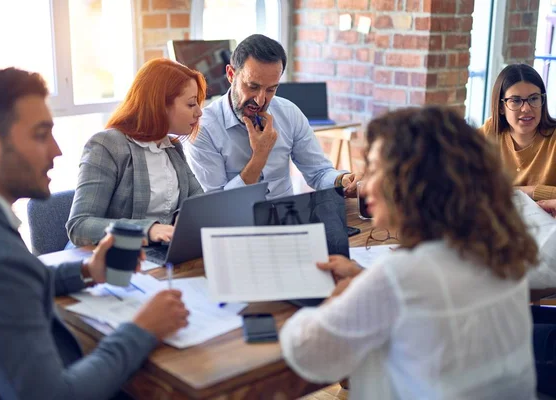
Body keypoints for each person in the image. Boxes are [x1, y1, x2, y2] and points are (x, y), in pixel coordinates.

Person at [0, 68, 189, 399]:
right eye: (41, 135)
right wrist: (142, 329)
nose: (57, 150)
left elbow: (16, 285)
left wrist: (87, 270)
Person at [280, 106, 538, 399]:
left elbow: (306, 353)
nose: (366, 184)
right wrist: (367, 281)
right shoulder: (501, 249)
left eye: (377, 170)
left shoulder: (400, 276)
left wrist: (341, 296)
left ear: (416, 184)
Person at [185, 34, 360, 200]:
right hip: (235, 226)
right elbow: (216, 205)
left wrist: (341, 181)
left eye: (271, 89)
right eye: (252, 86)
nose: (261, 100)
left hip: (287, 220)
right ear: (231, 75)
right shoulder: (202, 129)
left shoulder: (289, 113)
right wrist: (259, 156)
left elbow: (319, 172)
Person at [67, 59, 205, 246]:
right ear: (160, 105)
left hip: (159, 255)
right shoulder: (106, 145)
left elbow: (199, 200)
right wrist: (148, 230)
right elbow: (80, 225)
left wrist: (184, 218)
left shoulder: (171, 147)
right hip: (112, 259)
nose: (199, 112)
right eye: (191, 104)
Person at [480, 63, 556, 201]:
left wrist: (531, 191)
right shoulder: (490, 132)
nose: (526, 108)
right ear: (501, 107)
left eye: (534, 98)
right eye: (516, 100)